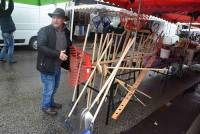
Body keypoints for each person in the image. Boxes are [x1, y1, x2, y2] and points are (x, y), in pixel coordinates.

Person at [37, 8, 71, 115]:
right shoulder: (44, 30)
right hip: (47, 65)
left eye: (58, 18)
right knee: (49, 88)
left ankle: (51, 103)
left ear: (63, 20)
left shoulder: (66, 31)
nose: (55, 20)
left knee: (55, 87)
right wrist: (58, 54)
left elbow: (69, 45)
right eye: (54, 17)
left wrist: (75, 54)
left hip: (57, 65)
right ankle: (45, 106)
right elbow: (41, 47)